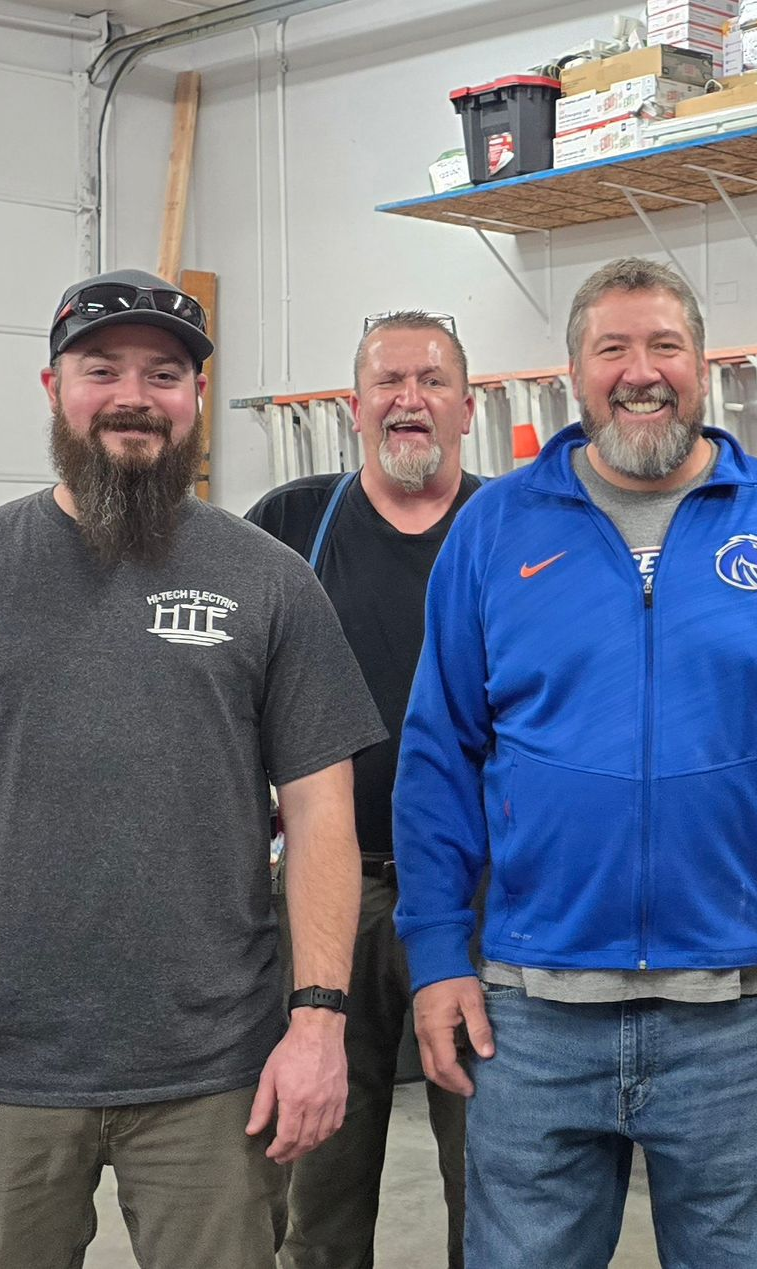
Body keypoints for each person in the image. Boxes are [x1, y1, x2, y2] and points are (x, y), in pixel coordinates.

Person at [0, 268, 383, 1269]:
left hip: (218, 1076)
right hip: (1, 1074)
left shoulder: (269, 581)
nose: (133, 397)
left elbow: (324, 819)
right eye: (101, 369)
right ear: (53, 388)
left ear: (196, 397)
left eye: (164, 374)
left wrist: (319, 1023)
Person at [392, 256, 757, 1268]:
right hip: (532, 1010)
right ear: (574, 374)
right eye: (614, 349)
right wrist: (437, 956)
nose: (641, 372)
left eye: (665, 346)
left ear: (703, 365)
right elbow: (438, 759)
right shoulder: (495, 529)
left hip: (732, 1009)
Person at [246, 310, 482, 1268]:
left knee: (495, 1181)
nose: (408, 398)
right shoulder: (290, 526)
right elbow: (223, 691)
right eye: (388, 381)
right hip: (326, 893)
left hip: (482, 900)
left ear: (466, 407)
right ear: (355, 406)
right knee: (318, 1181)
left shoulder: (515, 527)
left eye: (431, 380)